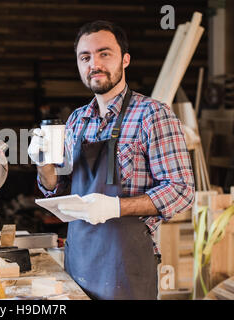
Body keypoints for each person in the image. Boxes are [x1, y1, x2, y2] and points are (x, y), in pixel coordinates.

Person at [28, 20, 195, 300]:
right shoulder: (76, 120)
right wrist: (43, 165)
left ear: (125, 59)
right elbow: (61, 188)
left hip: (126, 268)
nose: (95, 64)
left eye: (104, 53)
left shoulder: (153, 115)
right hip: (79, 261)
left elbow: (181, 190)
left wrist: (115, 206)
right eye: (86, 57)